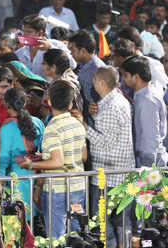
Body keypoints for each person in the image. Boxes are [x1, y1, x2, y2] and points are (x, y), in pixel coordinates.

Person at [21, 81, 86, 238]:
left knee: (56, 236)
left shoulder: (52, 128)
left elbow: (57, 162)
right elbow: (83, 156)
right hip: (77, 186)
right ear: (70, 104)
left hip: (57, 189)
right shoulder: (78, 124)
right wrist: (43, 157)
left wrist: (32, 164)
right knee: (76, 233)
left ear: (48, 101)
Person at [84, 66, 135, 248]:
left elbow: (104, 142)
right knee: (122, 221)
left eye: (95, 80)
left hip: (107, 175)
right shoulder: (116, 101)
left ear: (102, 82)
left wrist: (84, 127)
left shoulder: (111, 107)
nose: (93, 84)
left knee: (102, 222)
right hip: (122, 172)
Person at [0, 87, 45, 220]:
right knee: (33, 221)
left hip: (16, 179)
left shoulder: (7, 128)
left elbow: (4, 160)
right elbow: (43, 151)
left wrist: (0, 184)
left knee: (18, 222)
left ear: (6, 104)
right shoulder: (38, 123)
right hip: (36, 177)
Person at [121, 56, 168, 167]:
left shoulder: (147, 100)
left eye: (126, 75)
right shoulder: (143, 95)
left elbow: (150, 138)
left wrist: (147, 169)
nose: (123, 79)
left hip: (150, 163)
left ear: (136, 77)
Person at [15, 14, 76, 79]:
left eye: (29, 32)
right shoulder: (19, 53)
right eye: (24, 32)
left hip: (53, 88)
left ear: (40, 33)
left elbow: (72, 64)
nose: (25, 35)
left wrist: (50, 48)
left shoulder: (57, 44)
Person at [68, 30, 105, 126]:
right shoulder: (82, 66)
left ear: (83, 51)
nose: (71, 54)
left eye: (73, 51)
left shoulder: (97, 69)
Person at [42, 48, 82, 113]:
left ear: (53, 67)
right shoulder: (64, 78)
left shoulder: (62, 85)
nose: (42, 66)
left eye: (44, 63)